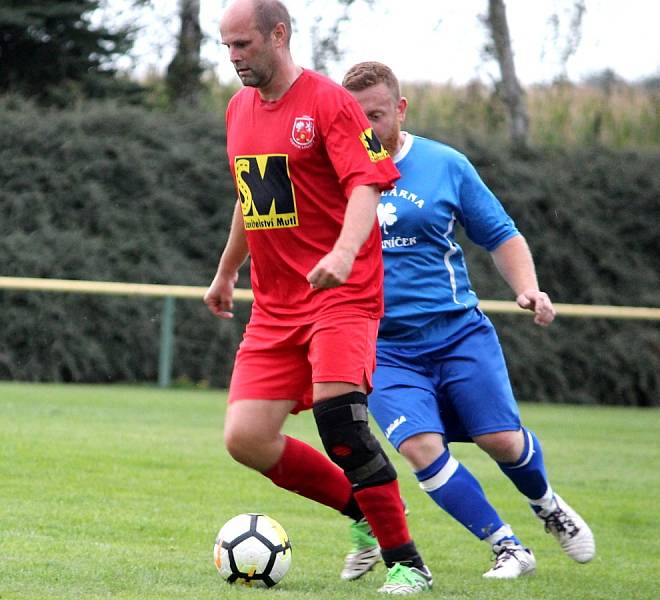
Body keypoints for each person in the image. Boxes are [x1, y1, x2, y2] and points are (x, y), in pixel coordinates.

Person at [204, 2, 431, 595]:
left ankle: (407, 561)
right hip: (277, 303)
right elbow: (250, 195)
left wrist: (343, 254)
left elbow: (368, 181)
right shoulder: (238, 110)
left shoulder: (329, 102)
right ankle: (360, 513)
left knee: (341, 423)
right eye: (226, 46)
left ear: (278, 35)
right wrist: (228, 271)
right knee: (245, 439)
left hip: (342, 293)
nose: (233, 58)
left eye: (243, 45)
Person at [340, 61, 595, 579]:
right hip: (384, 347)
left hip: (457, 334)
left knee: (500, 440)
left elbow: (501, 233)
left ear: (400, 109)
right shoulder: (333, 171)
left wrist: (527, 288)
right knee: (418, 447)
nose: (368, 128)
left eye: (378, 115)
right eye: (357, 118)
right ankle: (507, 547)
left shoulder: (444, 164)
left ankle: (547, 506)